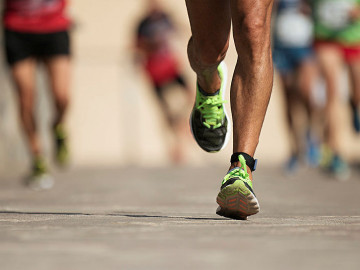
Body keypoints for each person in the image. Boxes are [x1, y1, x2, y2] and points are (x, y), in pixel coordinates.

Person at [185, 0, 274, 219]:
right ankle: (209, 82)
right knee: (208, 50)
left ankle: (241, 168)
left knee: (254, 28)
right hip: (207, 55)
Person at [2, 0, 72, 189]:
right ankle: (37, 159)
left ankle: (58, 125)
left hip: (54, 27)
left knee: (62, 97)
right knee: (26, 97)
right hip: (18, 29)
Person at [134, 0, 193, 163]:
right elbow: (135, 47)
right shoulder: (142, 24)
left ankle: (183, 121)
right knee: (165, 111)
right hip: (154, 72)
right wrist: (150, 45)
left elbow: (183, 30)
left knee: (192, 95)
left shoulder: (167, 18)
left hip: (171, 67)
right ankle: (176, 145)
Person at [312, 0, 360, 178]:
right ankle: (336, 152)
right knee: (332, 92)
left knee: (357, 89)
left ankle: (355, 104)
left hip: (354, 37)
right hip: (326, 39)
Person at [272, 0, 320, 172]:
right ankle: (294, 150)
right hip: (281, 46)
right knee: (288, 99)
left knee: (307, 92)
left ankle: (311, 135)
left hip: (305, 46)